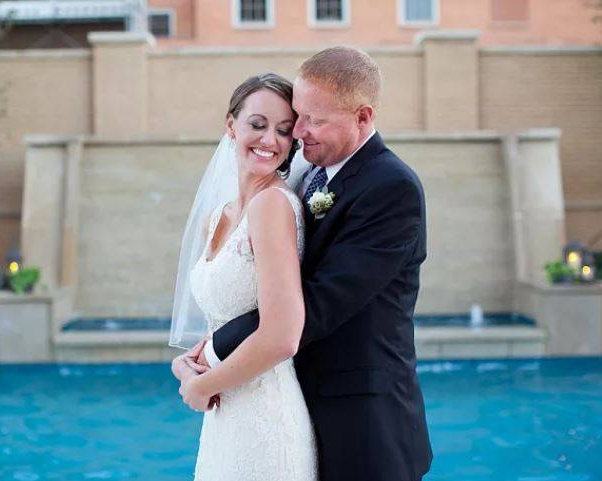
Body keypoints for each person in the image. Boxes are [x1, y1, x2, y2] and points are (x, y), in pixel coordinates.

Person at [174, 46, 433, 481]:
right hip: (286, 395)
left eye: (314, 120)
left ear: (364, 117)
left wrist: (214, 355)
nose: (300, 133)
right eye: (299, 117)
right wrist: (203, 354)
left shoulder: (391, 188)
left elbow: (318, 302)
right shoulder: (304, 170)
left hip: (362, 420)